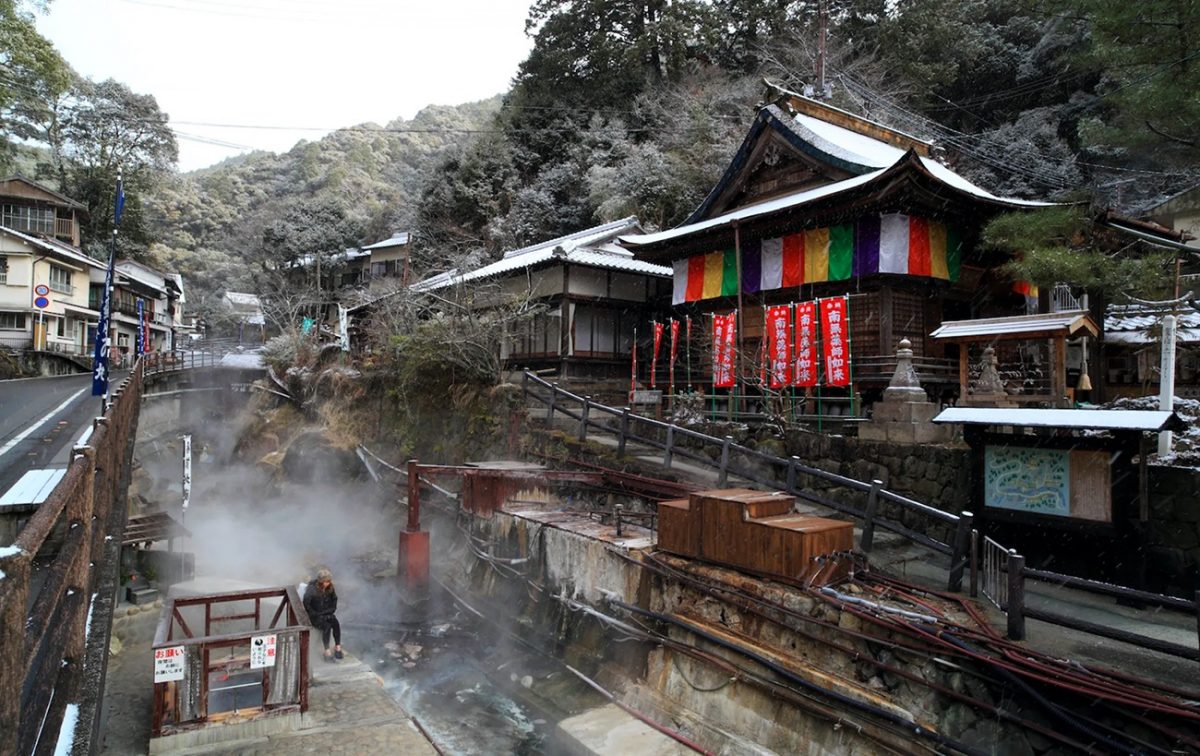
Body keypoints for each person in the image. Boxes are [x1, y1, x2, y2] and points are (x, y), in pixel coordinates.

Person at [304, 568, 343, 662]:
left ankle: (337, 646)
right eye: (326, 581)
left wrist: (331, 611)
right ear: (321, 581)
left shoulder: (330, 588)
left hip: (326, 613)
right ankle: (327, 650)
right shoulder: (311, 590)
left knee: (336, 623)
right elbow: (306, 605)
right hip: (315, 616)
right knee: (327, 627)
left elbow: (334, 600)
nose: (327, 583)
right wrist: (316, 614)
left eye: (329, 581)